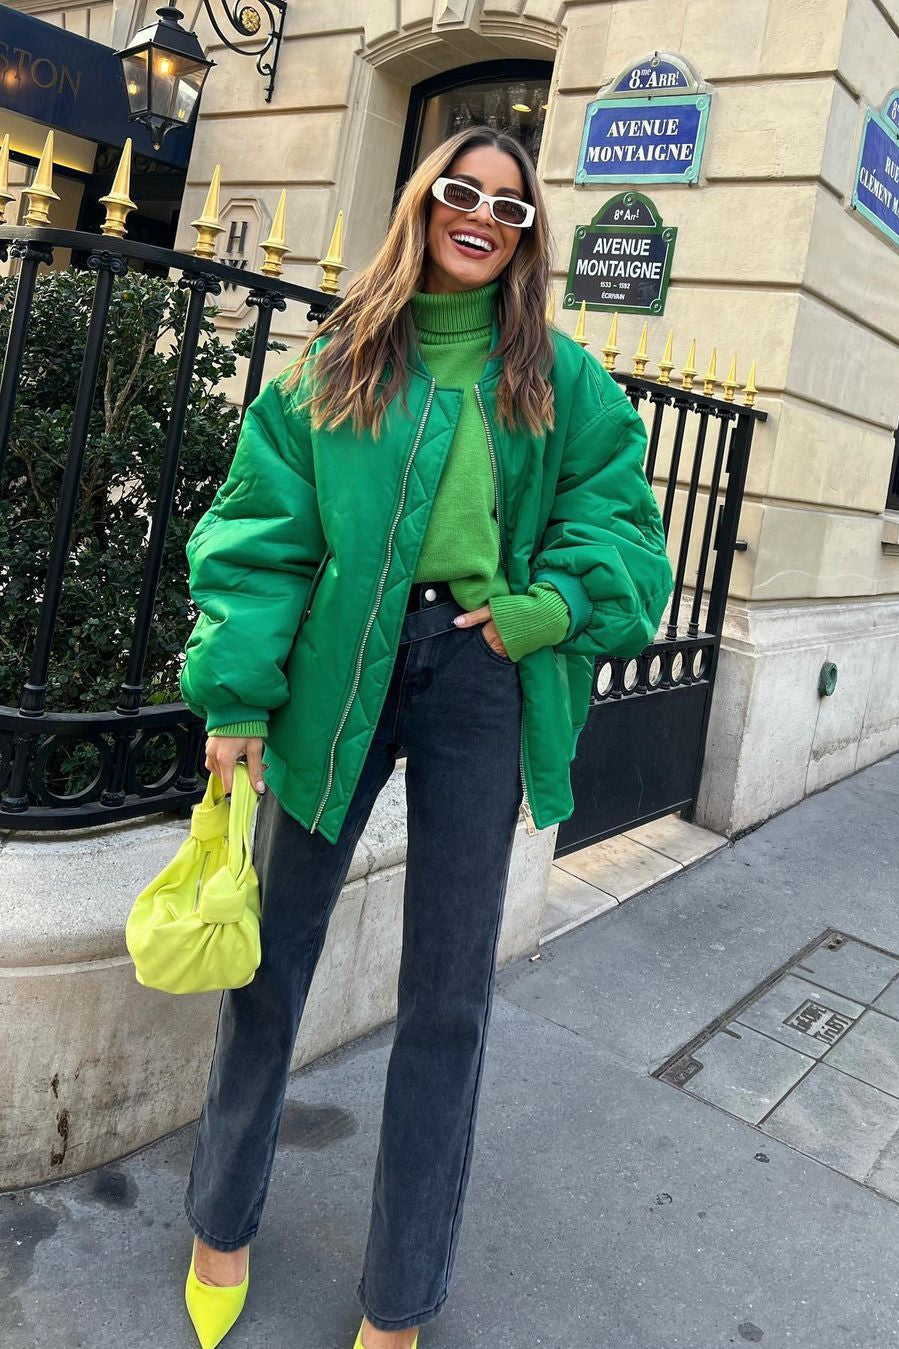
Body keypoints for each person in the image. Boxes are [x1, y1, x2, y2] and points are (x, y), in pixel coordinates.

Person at [177, 124, 673, 1349]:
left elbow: (622, 530)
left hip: (480, 673)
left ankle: (398, 1297)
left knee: (447, 995)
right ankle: (220, 1216)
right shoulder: (338, 357)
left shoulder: (563, 381)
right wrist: (235, 694)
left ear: (527, 236)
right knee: (268, 958)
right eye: (462, 190)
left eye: (509, 205)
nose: (482, 215)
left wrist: (540, 609)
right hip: (335, 666)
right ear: (423, 201)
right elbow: (261, 531)